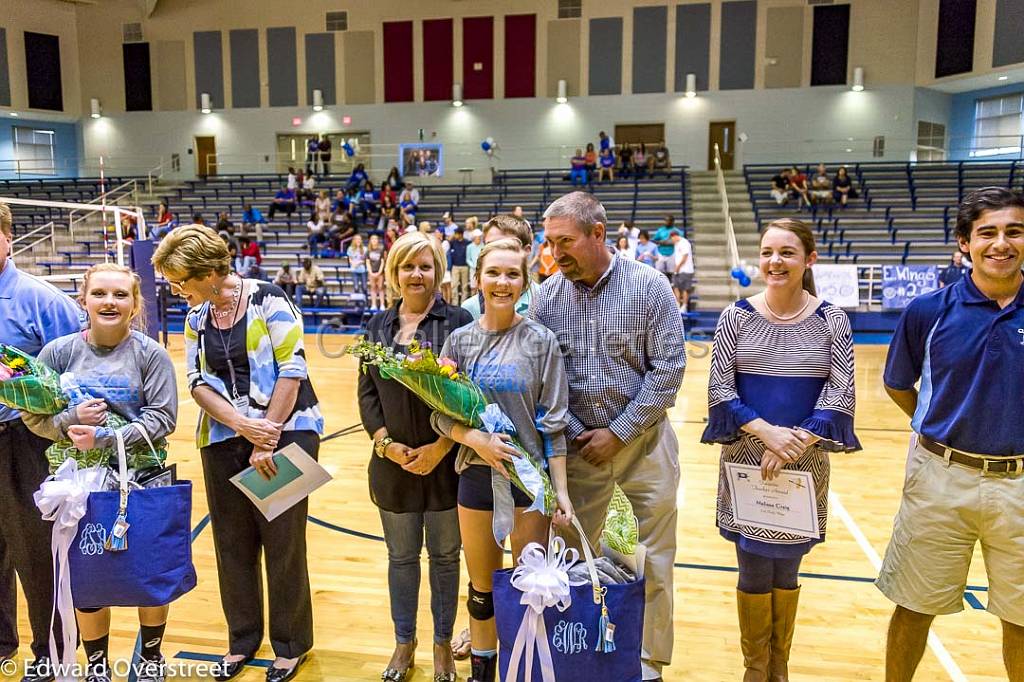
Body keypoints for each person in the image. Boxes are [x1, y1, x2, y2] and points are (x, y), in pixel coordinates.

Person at [152, 225, 323, 682]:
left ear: (209, 273)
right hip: (223, 437)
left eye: (180, 281)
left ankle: (290, 646)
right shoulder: (195, 318)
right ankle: (243, 640)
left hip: (289, 430)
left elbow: (293, 368)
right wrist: (240, 424)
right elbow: (196, 381)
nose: (176, 290)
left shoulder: (269, 298)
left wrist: (264, 436)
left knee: (283, 542)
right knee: (232, 544)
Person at [532, 192, 686, 682]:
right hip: (577, 454)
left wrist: (618, 434)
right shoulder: (546, 296)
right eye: (550, 242)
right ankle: (579, 656)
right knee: (573, 559)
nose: (556, 254)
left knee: (653, 560)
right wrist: (580, 435)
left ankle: (646, 664)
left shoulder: (650, 287)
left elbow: (668, 372)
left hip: (645, 445)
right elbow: (540, 377)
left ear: (599, 233)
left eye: (566, 242)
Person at [702, 218, 861, 681]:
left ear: (808, 259)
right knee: (752, 570)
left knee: (787, 572)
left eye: (787, 252)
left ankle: (780, 667)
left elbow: (841, 393)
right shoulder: (736, 317)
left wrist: (796, 440)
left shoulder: (833, 319)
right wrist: (768, 434)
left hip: (804, 463)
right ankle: (756, 670)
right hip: (748, 459)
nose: (775, 261)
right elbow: (719, 391)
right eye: (768, 251)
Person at [878, 186, 1024, 682]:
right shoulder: (928, 311)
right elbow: (898, 384)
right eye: (987, 232)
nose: (1001, 243)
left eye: (1014, 231)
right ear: (965, 242)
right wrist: (938, 425)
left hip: (1021, 484)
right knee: (914, 607)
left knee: (1022, 619)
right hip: (939, 478)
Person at [22, 263, 179, 682]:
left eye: (120, 295)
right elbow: (34, 418)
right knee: (87, 580)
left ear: (134, 305)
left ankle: (151, 658)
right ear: (84, 301)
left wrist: (105, 437)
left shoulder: (151, 354)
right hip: (78, 486)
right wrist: (71, 419)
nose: (110, 302)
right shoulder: (57, 353)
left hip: (141, 479)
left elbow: (163, 419)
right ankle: (96, 667)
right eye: (100, 294)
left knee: (149, 573)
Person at [431, 238, 574, 682]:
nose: (502, 282)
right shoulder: (460, 340)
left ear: (524, 283)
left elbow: (554, 424)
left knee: (529, 590)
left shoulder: (541, 341)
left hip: (527, 482)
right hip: (475, 477)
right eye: (493, 273)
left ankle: (526, 671)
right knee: (481, 590)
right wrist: (475, 438)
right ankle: (482, 675)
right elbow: (438, 414)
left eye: (513, 274)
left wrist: (561, 493)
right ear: (477, 281)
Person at [358, 231, 471, 682]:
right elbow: (367, 394)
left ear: (438, 271)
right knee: (401, 559)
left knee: (446, 557)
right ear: (394, 273)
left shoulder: (458, 321)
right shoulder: (376, 328)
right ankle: (405, 643)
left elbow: (469, 395)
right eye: (408, 266)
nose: (416, 274)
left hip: (447, 466)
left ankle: (443, 645)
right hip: (394, 468)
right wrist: (385, 443)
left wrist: (441, 447)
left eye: (425, 266)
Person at [0, 202, 83, 682]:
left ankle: (49, 652)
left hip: (25, 442)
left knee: (36, 554)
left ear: (8, 236)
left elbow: (74, 374)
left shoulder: (43, 300)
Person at [460, 215, 538, 320]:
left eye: (509, 245)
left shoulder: (546, 300)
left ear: (526, 251)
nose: (499, 252)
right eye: (490, 246)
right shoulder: (470, 309)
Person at [670, 231, 695, 311]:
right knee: (675, 286)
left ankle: (684, 306)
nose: (672, 240)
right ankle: (677, 304)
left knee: (685, 289)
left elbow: (685, 257)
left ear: (675, 236)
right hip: (678, 270)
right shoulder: (676, 244)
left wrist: (678, 267)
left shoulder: (684, 243)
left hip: (686, 270)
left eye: (672, 238)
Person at [448, 228, 470, 304]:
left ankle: (463, 304)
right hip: (455, 267)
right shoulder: (452, 242)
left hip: (465, 267)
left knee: (464, 286)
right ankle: (455, 304)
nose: (455, 235)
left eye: (456, 234)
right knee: (454, 285)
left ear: (461, 234)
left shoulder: (467, 242)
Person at [366, 234, 386, 311]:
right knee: (373, 288)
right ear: (370, 241)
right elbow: (367, 262)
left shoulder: (381, 249)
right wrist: (370, 272)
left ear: (378, 240)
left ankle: (382, 304)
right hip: (371, 272)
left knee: (381, 287)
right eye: (372, 239)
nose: (374, 241)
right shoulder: (368, 251)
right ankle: (373, 304)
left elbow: (382, 261)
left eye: (376, 239)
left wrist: (380, 272)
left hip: (380, 272)